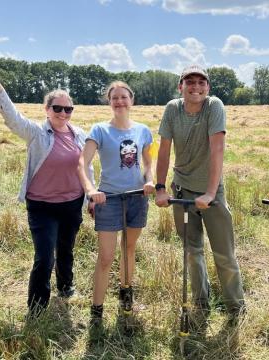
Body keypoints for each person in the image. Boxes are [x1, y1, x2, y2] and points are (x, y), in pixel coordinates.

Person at [0, 69, 92, 316]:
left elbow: (88, 167)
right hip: (41, 206)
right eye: (57, 108)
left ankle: (66, 286)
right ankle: (37, 308)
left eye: (68, 109)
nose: (63, 113)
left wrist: (91, 195)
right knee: (44, 257)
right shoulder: (37, 133)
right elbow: (13, 117)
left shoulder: (80, 135)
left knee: (66, 249)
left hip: (72, 203)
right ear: (47, 109)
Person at [155, 65, 245, 327]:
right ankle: (200, 301)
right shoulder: (172, 109)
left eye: (201, 82)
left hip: (211, 191)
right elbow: (163, 150)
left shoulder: (214, 106)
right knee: (192, 251)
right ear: (180, 86)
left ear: (208, 87)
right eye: (189, 82)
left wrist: (210, 192)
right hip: (182, 190)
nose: (196, 87)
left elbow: (218, 149)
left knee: (223, 252)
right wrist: (160, 187)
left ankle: (235, 306)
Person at [78, 81, 155, 331]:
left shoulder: (143, 130)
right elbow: (82, 163)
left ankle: (126, 295)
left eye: (124, 97)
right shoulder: (99, 130)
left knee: (129, 249)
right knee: (106, 257)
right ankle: (97, 311)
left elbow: (147, 163)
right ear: (109, 102)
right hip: (108, 199)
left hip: (136, 198)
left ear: (132, 100)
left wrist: (150, 181)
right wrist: (91, 190)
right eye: (115, 98)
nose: (119, 101)